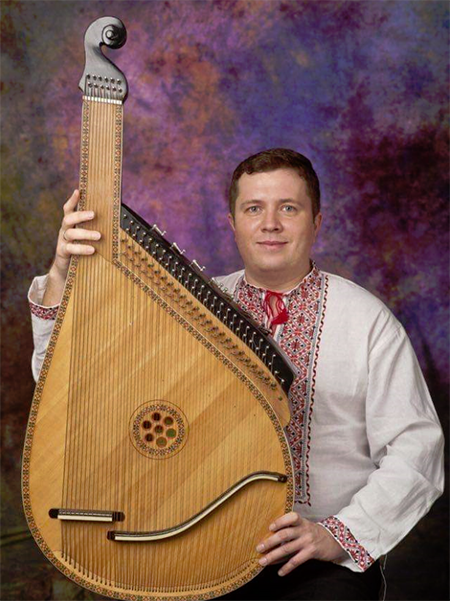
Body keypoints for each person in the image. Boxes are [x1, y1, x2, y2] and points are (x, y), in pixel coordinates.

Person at [28, 148, 444, 600]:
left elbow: (416, 448)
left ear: (317, 222)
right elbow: (73, 384)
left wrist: (338, 534)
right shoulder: (188, 307)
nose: (270, 224)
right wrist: (62, 272)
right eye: (253, 209)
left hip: (320, 561)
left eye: (289, 208)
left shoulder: (366, 320)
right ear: (232, 223)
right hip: (197, 545)